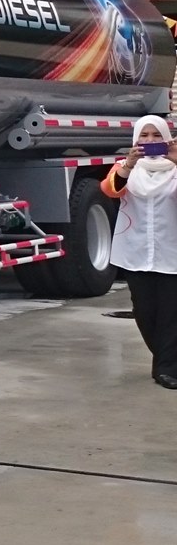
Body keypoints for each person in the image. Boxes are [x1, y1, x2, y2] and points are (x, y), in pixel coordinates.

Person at [102, 114, 177, 387]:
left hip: (171, 251)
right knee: (145, 312)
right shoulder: (125, 168)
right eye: (144, 135)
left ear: (166, 138)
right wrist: (128, 166)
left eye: (156, 135)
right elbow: (110, 189)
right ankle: (167, 361)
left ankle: (166, 369)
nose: (150, 140)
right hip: (136, 251)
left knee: (171, 314)